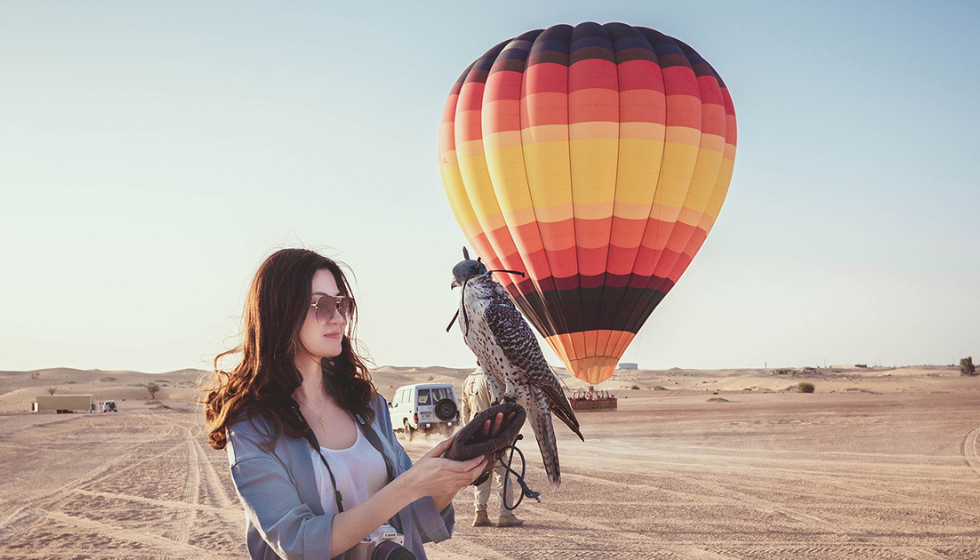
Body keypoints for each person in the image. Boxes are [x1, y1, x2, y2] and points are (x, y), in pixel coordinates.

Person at [205, 248, 488, 559]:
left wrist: (449, 478)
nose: (338, 317)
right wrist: (409, 485)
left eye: (342, 304)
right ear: (280, 311)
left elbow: (413, 521)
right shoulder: (253, 426)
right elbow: (297, 543)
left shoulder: (369, 407)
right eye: (322, 305)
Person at [459, 366, 524, 528]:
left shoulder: (468, 381)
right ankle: (505, 514)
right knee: (503, 474)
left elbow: (464, 413)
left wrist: (471, 437)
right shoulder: (492, 379)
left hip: (476, 439)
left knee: (482, 473)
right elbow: (501, 409)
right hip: (495, 436)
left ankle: (480, 513)